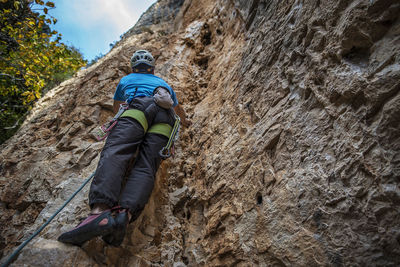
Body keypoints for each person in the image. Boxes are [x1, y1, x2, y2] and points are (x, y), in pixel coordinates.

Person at [58, 50, 190, 246]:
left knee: (116, 152)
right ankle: (123, 218)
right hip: (166, 121)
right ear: (152, 69)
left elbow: (117, 108)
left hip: (137, 110)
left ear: (133, 67)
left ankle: (99, 214)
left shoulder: (126, 80)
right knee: (146, 167)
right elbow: (177, 111)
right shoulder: (164, 85)